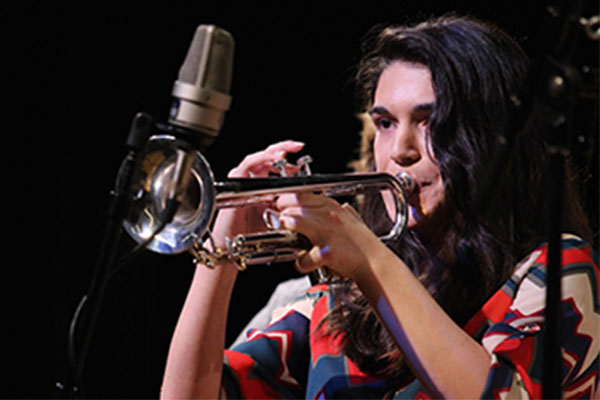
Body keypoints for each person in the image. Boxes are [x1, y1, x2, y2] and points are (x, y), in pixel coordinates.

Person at [160, 14, 598, 399]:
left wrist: (370, 257)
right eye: (385, 124)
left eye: (429, 122)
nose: (400, 151)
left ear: (488, 137)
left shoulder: (558, 270)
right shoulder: (337, 304)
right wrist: (219, 252)